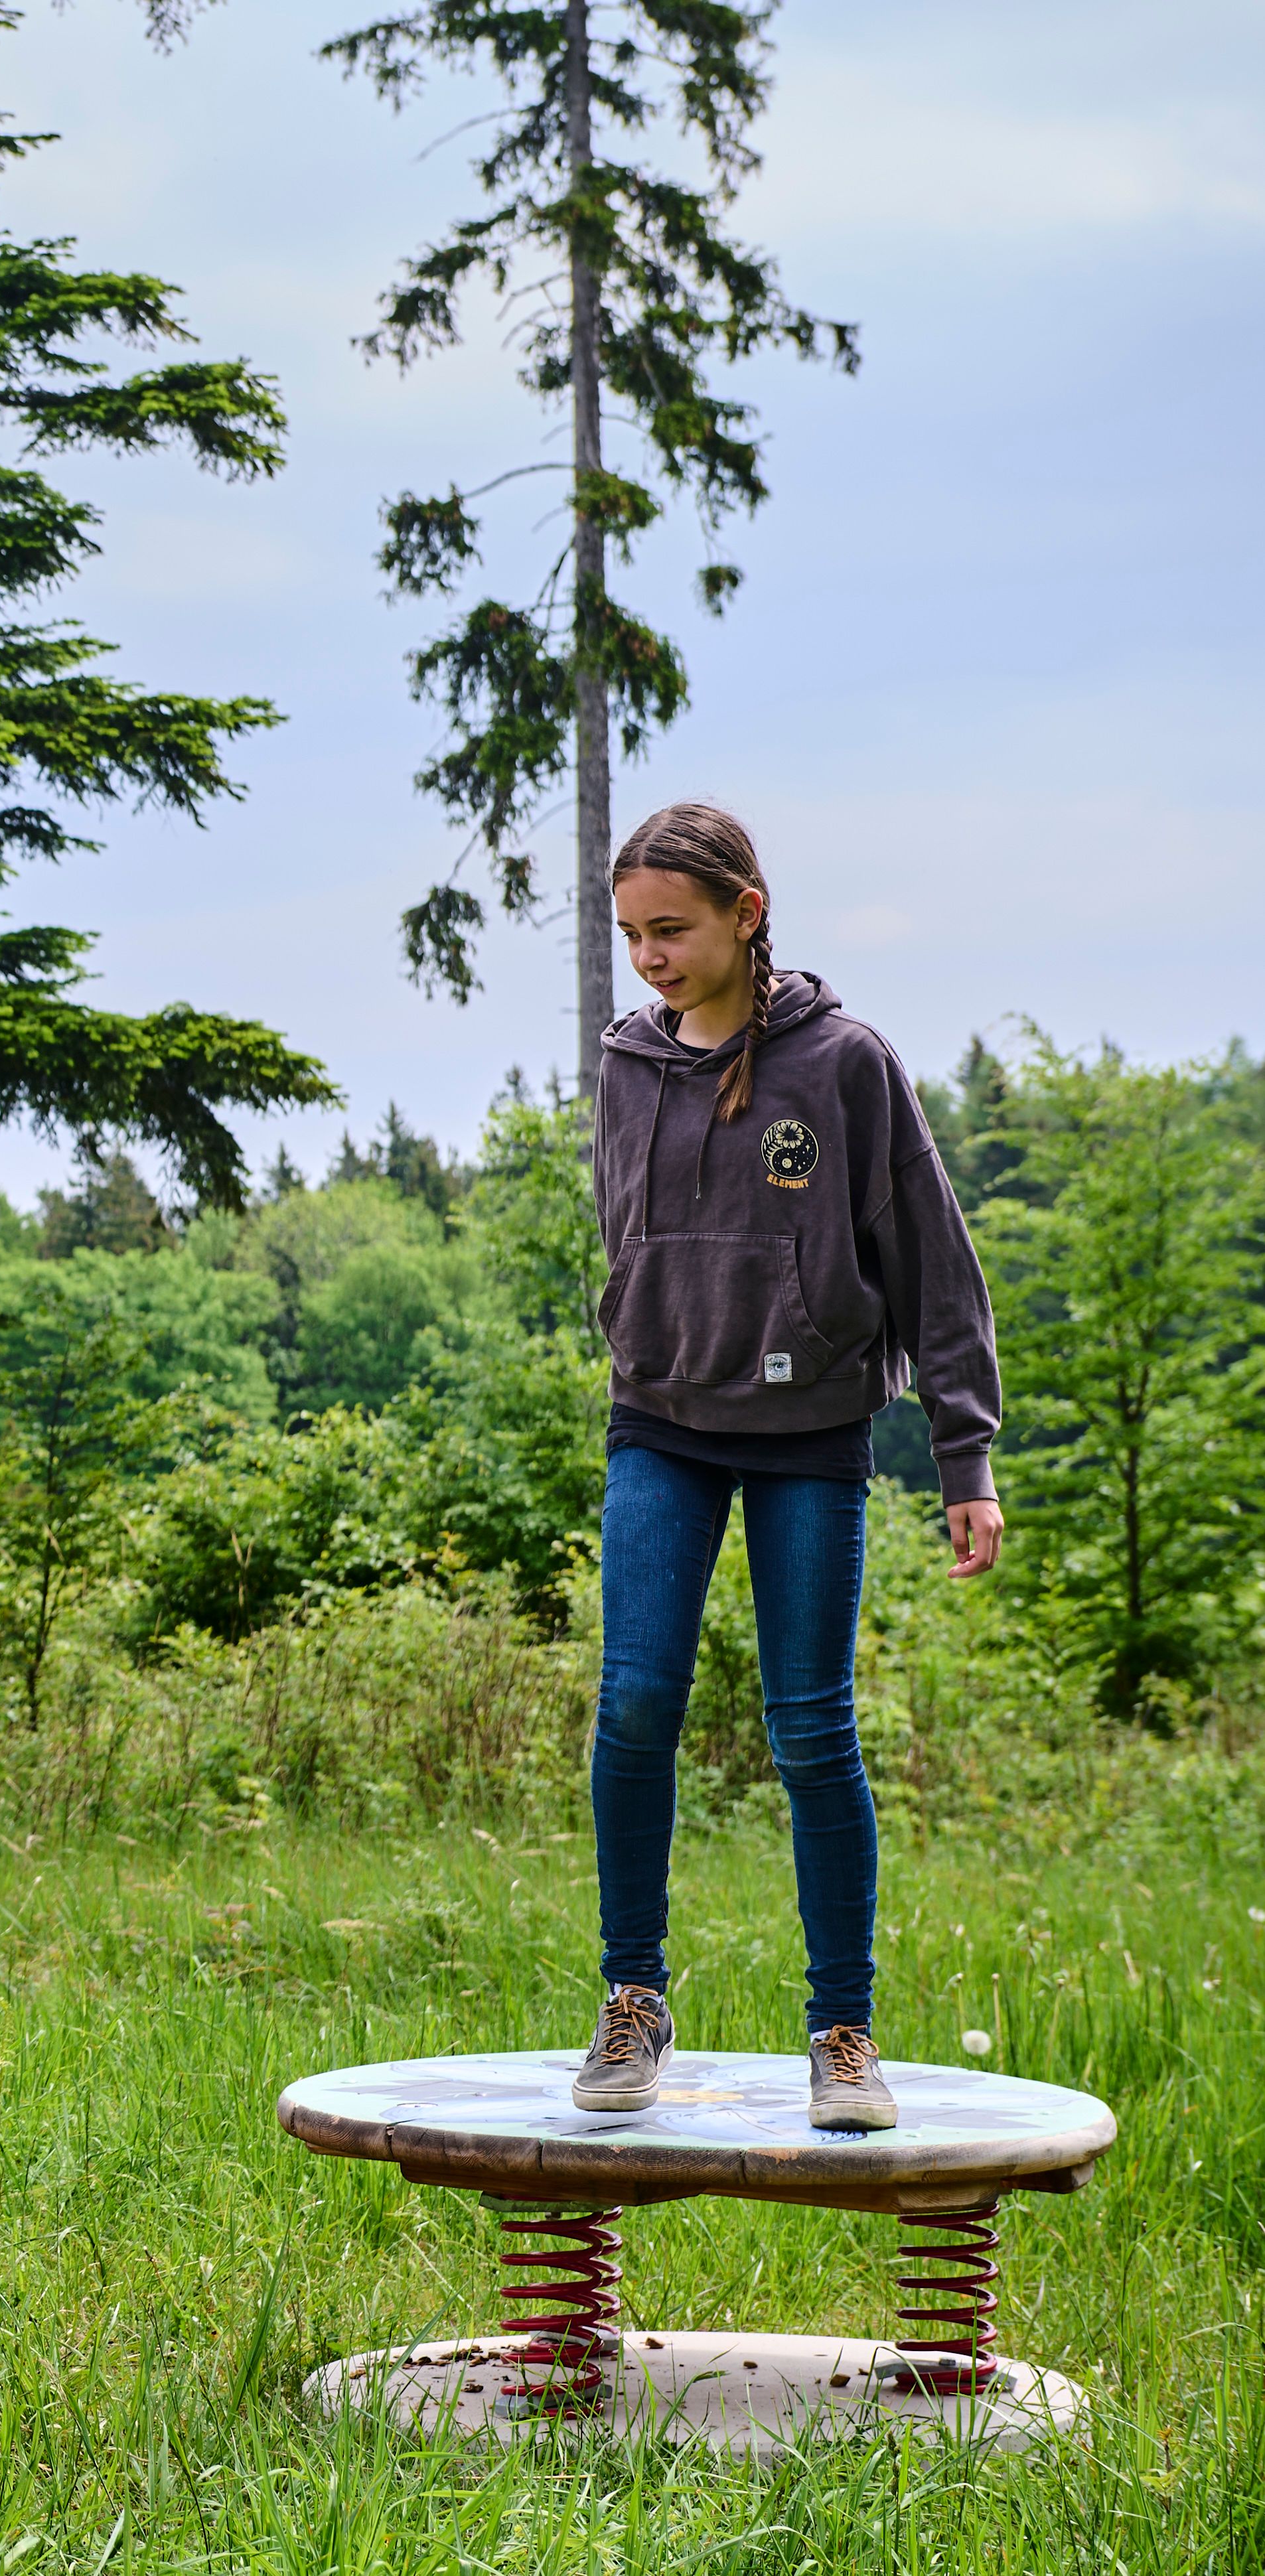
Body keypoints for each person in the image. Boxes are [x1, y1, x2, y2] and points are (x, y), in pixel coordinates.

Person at [573, 804, 1004, 2134]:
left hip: (809, 1434)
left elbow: (931, 1258)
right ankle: (631, 1999)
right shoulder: (626, 1064)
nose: (646, 956)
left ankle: (841, 2035)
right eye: (630, 933)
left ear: (744, 913)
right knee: (634, 1703)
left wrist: (961, 1454)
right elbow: (627, 1233)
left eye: (671, 929)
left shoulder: (843, 1064)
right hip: (659, 1421)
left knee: (808, 1727)